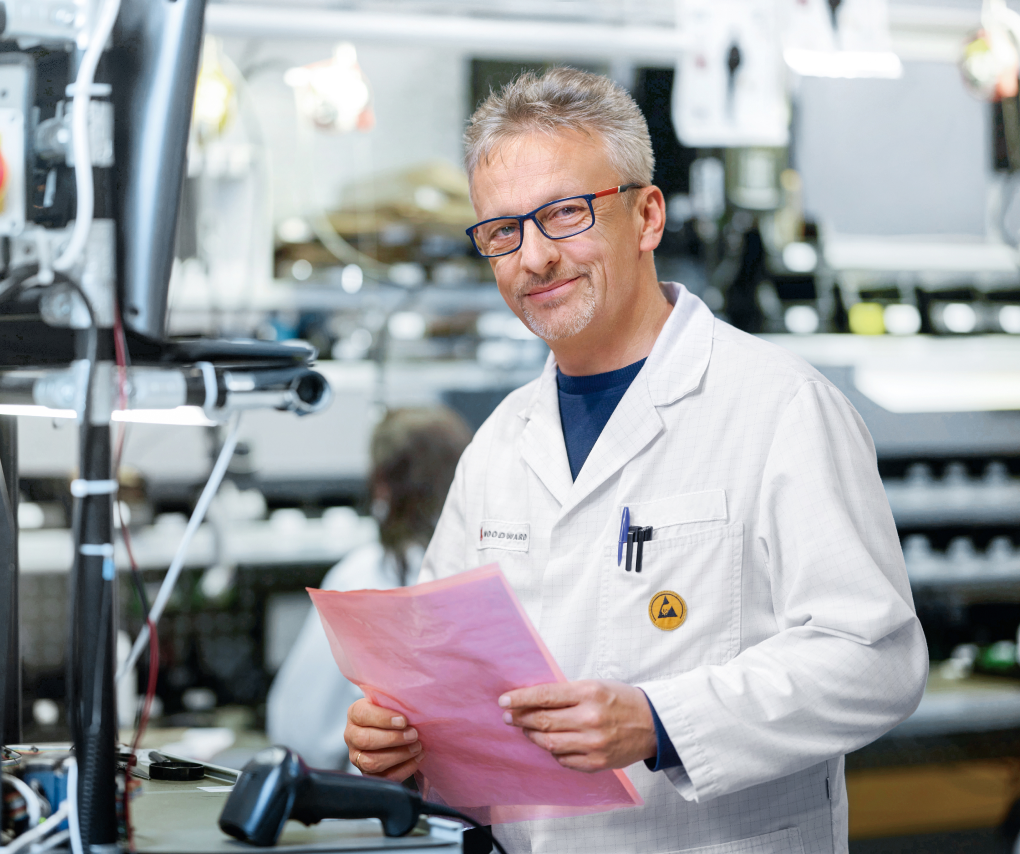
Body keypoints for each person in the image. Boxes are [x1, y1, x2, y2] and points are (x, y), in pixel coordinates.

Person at [343, 68, 928, 853]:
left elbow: (875, 660)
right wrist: (402, 738)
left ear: (646, 215)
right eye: (502, 233)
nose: (535, 258)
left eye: (563, 214)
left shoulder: (779, 407)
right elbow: (442, 675)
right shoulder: (499, 445)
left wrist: (660, 722)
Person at [266, 406, 472, 770]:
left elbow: (299, 732)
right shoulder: (488, 568)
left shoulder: (363, 575)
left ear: (382, 483)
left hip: (380, 805)